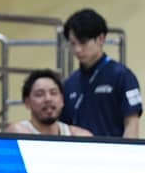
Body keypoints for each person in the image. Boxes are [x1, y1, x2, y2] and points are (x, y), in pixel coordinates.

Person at [60, 8, 142, 138]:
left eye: (83, 42)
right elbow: (63, 126)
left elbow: (131, 124)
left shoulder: (122, 76)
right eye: (73, 44)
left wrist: (127, 150)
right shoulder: (70, 83)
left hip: (114, 149)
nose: (77, 49)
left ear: (101, 38)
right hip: (79, 149)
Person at [4, 69, 92, 136]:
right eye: (39, 94)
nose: (48, 99)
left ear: (62, 100)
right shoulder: (18, 132)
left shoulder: (79, 136)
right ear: (27, 103)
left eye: (53, 93)